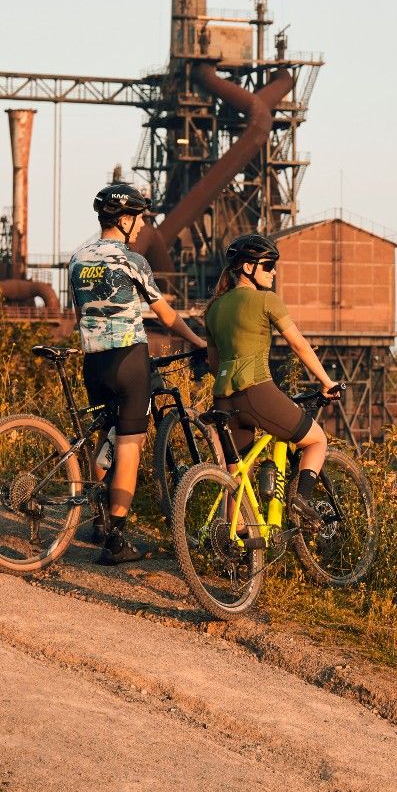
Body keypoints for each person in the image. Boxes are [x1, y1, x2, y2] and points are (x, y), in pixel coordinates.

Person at [68, 180, 207, 564]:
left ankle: (98, 521)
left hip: (92, 362)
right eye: (141, 217)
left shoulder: (77, 258)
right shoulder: (132, 260)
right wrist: (196, 341)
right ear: (126, 219)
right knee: (130, 444)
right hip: (128, 359)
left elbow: (81, 313)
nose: (144, 225)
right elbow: (165, 315)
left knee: (106, 437)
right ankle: (116, 540)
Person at [203, 233, 340, 520]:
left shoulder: (214, 308)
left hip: (222, 400)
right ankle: (300, 500)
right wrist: (327, 382)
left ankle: (235, 545)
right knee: (316, 440)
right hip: (256, 392)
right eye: (269, 266)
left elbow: (214, 363)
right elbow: (299, 345)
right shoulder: (266, 300)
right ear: (248, 267)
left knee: (236, 478)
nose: (274, 272)